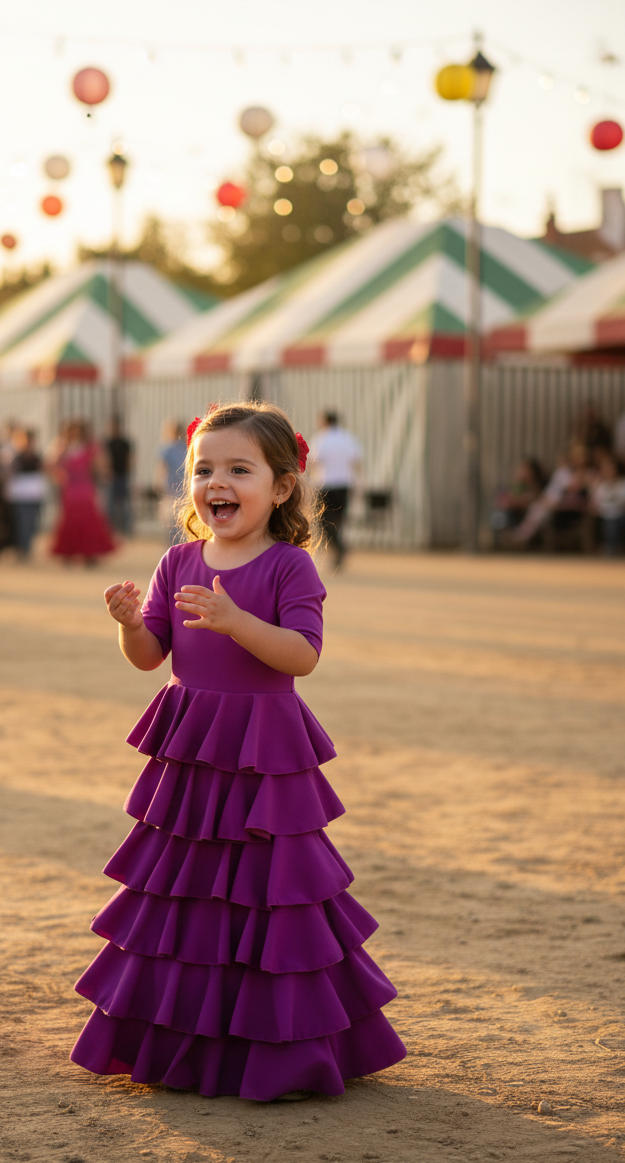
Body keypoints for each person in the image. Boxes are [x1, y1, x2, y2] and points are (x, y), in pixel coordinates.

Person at [71, 400, 406, 1101]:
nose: (215, 483)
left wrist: (236, 621)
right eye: (204, 469)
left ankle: (283, 1051)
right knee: (187, 892)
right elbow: (150, 656)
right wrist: (131, 625)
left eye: (238, 469)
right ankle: (183, 1041)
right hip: (192, 748)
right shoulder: (177, 560)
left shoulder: (289, 568)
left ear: (281, 487)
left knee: (270, 896)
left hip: (265, 752)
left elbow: (302, 656)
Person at [49, 418, 116, 564]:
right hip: (70, 488)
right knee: (70, 519)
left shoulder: (91, 448)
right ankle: (68, 552)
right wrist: (60, 474)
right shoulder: (62, 446)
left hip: (85, 487)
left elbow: (102, 466)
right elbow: (51, 464)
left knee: (88, 519)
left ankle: (89, 553)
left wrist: (104, 474)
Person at [309, 410, 363, 569]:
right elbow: (357, 462)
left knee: (323, 521)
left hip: (325, 485)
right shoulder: (348, 438)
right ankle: (339, 551)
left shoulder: (321, 439)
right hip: (345, 485)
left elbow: (313, 462)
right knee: (339, 520)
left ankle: (339, 548)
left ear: (325, 421)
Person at [4, 428, 47, 559]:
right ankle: (21, 548)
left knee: (31, 522)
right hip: (19, 494)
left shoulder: (36, 456)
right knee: (20, 522)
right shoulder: (13, 456)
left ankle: (26, 548)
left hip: (34, 493)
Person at [590, 450, 625, 556]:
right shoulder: (602, 486)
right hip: (605, 515)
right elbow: (595, 504)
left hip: (624, 515)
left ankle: (612, 547)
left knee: (613, 521)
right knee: (608, 521)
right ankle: (610, 547)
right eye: (604, 468)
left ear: (617, 468)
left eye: (609, 468)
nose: (607, 471)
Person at [155, 420, 187, 545]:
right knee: (182, 519)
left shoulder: (166, 448)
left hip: (170, 488)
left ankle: (172, 544)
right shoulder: (187, 446)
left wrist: (159, 484)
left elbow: (162, 468)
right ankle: (181, 543)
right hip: (185, 487)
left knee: (170, 520)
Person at [105, 415, 133, 536]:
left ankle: (126, 529)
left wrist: (128, 471)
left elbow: (130, 459)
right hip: (111, 477)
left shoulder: (125, 442)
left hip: (123, 476)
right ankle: (111, 529)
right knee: (110, 504)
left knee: (124, 504)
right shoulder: (106, 443)